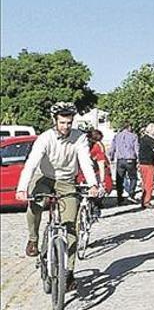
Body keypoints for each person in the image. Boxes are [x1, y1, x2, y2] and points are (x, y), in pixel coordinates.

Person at [15, 102, 99, 291]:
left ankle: (68, 272)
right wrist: (22, 189)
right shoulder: (45, 138)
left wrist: (93, 183)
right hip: (44, 177)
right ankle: (34, 239)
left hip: (66, 180)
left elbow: (85, 161)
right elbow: (31, 163)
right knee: (35, 204)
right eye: (62, 122)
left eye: (69, 123)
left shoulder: (79, 138)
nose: (66, 126)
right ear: (55, 121)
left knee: (71, 227)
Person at [109, 123, 139, 205]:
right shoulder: (134, 136)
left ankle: (119, 197)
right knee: (133, 178)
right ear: (129, 127)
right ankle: (131, 194)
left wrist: (111, 157)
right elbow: (136, 148)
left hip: (120, 160)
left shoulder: (117, 136)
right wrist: (139, 159)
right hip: (130, 159)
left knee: (119, 179)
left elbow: (112, 148)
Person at [138, 123, 154, 208]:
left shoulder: (142, 139)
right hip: (149, 164)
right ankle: (147, 201)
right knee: (149, 183)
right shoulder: (151, 140)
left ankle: (143, 200)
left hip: (142, 163)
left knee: (144, 183)